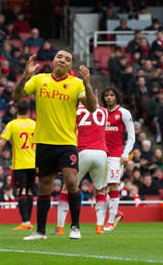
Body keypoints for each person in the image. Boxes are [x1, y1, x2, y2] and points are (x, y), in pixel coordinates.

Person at [13, 51, 97, 240]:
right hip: (43, 142)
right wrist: (26, 76)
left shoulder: (77, 84)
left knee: (72, 180)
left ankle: (75, 227)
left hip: (67, 142)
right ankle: (40, 231)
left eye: (67, 59)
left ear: (70, 66)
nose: (63, 60)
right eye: (60, 57)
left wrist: (88, 84)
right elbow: (17, 96)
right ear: (53, 60)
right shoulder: (39, 79)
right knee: (44, 187)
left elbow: (92, 107)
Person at [52, 97, 109, 236]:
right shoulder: (104, 111)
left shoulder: (76, 111)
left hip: (83, 151)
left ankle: (60, 228)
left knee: (68, 187)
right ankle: (99, 226)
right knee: (100, 189)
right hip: (102, 152)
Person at [0, 100, 36, 230]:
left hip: (20, 163)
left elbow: (1, 144)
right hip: (34, 163)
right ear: (28, 111)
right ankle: (29, 221)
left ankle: (25, 222)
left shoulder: (12, 124)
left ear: (16, 110)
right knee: (29, 191)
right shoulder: (34, 124)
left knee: (21, 191)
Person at [101, 87, 135, 231]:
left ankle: (110, 220)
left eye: (111, 95)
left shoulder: (124, 113)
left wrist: (126, 154)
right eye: (106, 95)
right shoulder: (100, 113)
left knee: (113, 185)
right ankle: (117, 213)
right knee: (99, 189)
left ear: (116, 97)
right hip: (101, 154)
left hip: (116, 155)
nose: (109, 97)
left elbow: (131, 136)